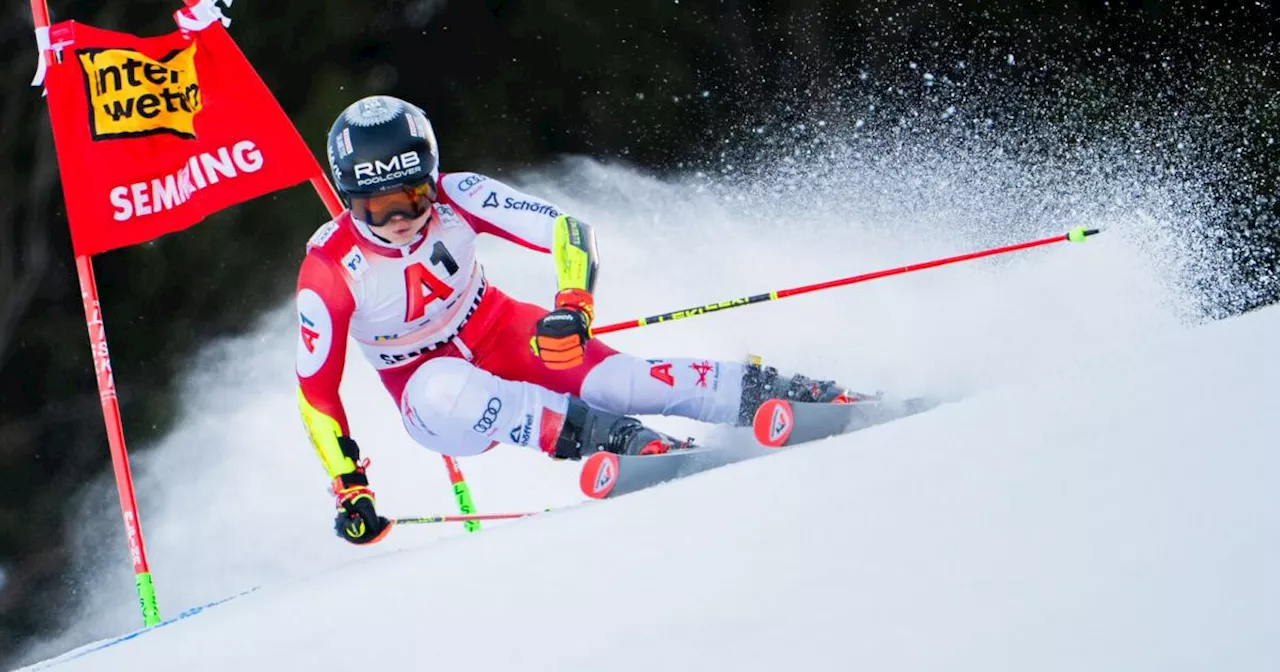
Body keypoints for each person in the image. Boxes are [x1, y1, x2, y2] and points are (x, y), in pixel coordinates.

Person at [296, 95, 853, 545]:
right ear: (349, 199)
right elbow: (316, 392)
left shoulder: (458, 197)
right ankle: (621, 439)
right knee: (444, 388)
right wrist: (351, 486)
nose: (399, 219)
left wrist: (572, 307)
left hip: (500, 330)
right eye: (377, 206)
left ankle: (779, 392)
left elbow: (568, 230)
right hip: (432, 400)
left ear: (431, 178)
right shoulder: (328, 270)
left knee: (619, 381)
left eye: (412, 197)